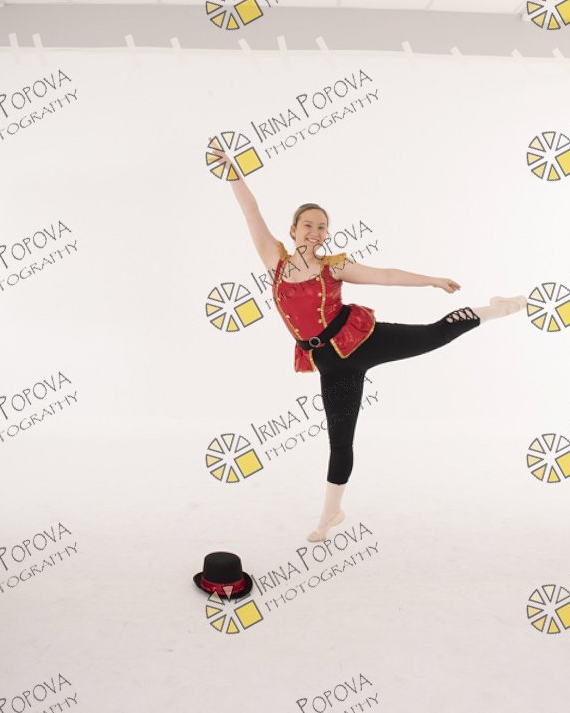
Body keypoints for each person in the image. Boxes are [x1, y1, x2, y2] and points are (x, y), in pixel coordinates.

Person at [212, 145, 527, 541]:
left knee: (434, 334)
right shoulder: (274, 259)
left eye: (322, 227)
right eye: (307, 225)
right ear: (293, 230)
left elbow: (386, 275)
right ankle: (330, 515)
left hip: (363, 340)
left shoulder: (334, 267)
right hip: (331, 364)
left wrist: (431, 280)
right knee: (340, 440)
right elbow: (250, 211)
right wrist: (234, 172)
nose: (315, 232)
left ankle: (496, 308)